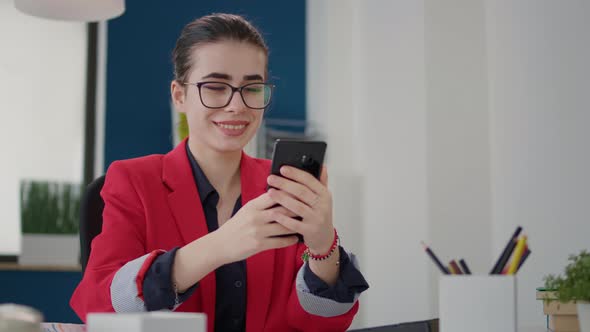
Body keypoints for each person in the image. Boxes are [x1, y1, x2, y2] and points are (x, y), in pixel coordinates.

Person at [70, 13, 368, 332]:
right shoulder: (133, 180)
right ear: (179, 95)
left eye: (252, 88)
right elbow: (99, 306)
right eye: (215, 86)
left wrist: (324, 246)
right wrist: (219, 246)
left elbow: (320, 323)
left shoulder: (282, 186)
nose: (237, 106)